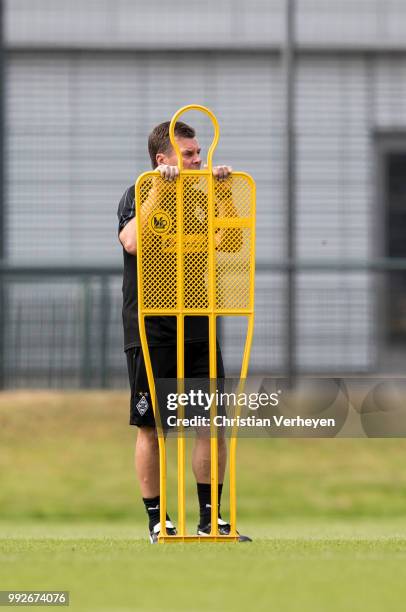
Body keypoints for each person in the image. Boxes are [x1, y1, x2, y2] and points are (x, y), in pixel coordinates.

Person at [117, 120, 250, 542]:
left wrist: (225, 192)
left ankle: (211, 519)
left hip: (197, 322)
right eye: (190, 154)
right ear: (164, 159)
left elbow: (229, 242)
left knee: (210, 424)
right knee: (152, 426)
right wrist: (158, 188)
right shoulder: (139, 191)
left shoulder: (202, 195)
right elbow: (133, 242)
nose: (198, 160)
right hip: (151, 326)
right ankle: (159, 522)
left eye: (199, 153)